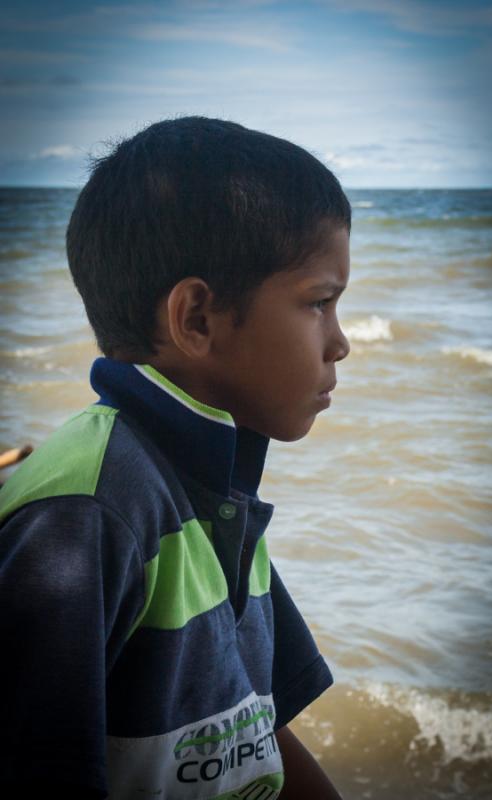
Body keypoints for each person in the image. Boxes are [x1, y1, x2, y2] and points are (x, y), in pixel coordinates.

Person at [0, 116, 351, 799]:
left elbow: (256, 723)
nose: (340, 343)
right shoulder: (89, 512)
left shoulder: (213, 483)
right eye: (319, 303)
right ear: (194, 318)